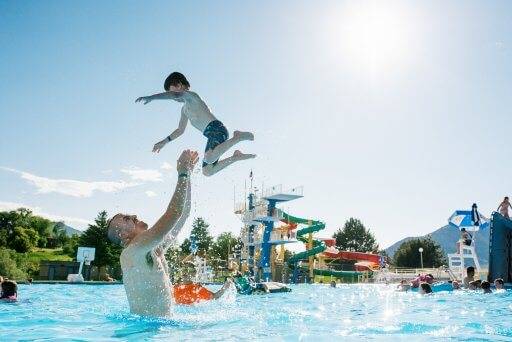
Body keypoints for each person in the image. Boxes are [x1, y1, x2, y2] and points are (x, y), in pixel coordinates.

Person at [108, 150, 231, 317]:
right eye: (127, 218)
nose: (135, 216)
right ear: (123, 236)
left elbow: (183, 213)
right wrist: (181, 173)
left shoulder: (152, 250)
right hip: (143, 333)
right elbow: (174, 213)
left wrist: (187, 173)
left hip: (157, 329)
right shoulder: (132, 252)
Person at [136, 72, 255, 177]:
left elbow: (176, 95)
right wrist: (164, 142)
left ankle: (238, 137)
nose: (172, 97)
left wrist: (152, 97)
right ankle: (235, 157)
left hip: (217, 129)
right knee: (208, 171)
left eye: (172, 92)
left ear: (180, 85)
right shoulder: (184, 110)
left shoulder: (192, 96)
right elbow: (180, 130)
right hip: (211, 135)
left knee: (209, 158)